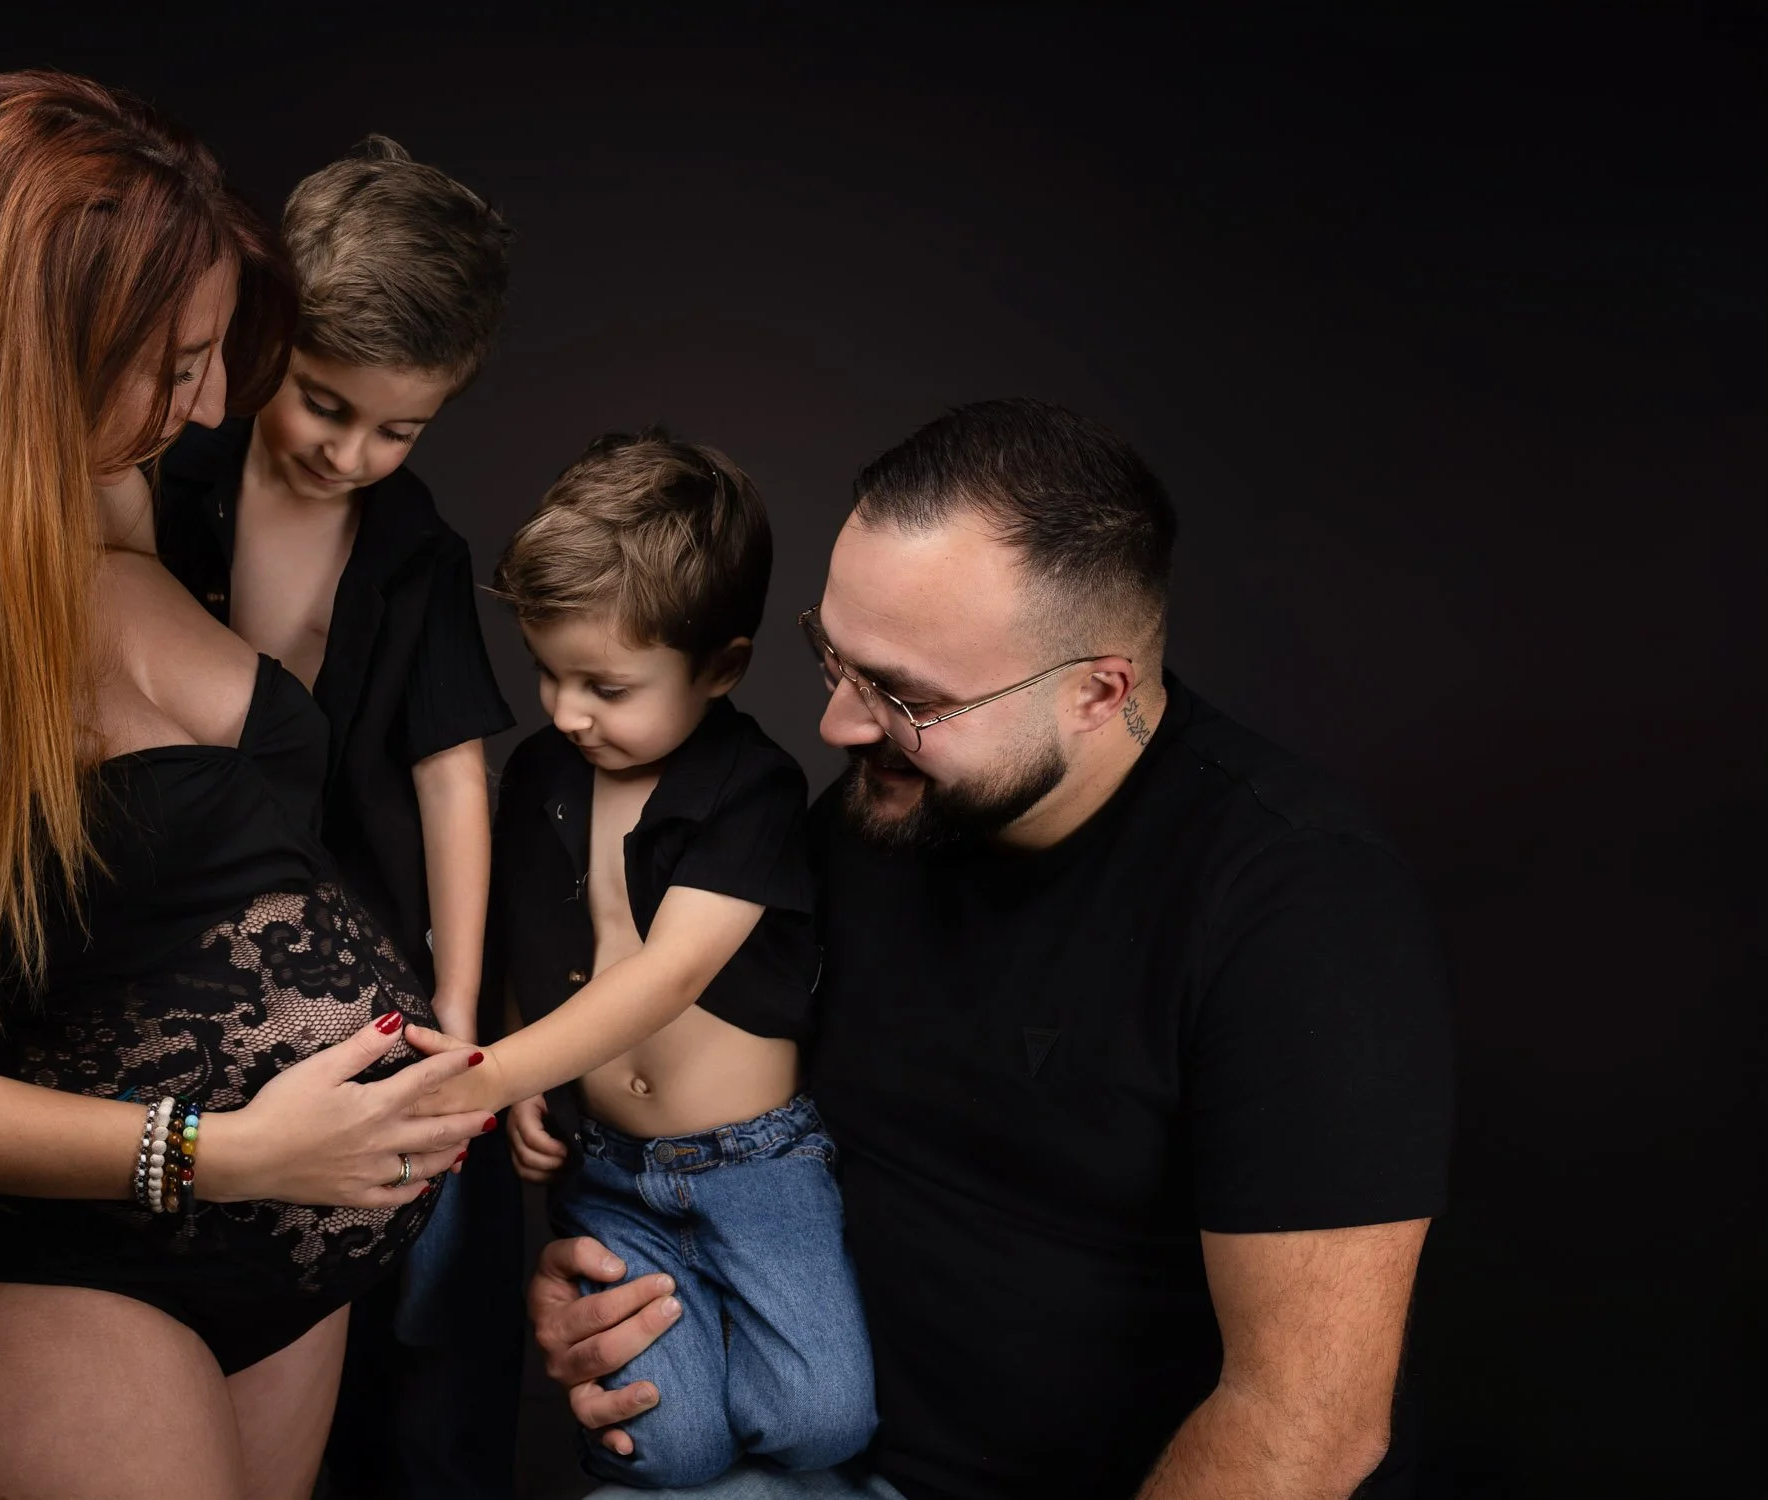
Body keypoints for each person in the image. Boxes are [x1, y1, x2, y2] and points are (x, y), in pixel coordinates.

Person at [0, 72, 489, 1500]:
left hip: (289, 1246)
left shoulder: (126, 501)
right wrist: (221, 1153)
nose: (200, 405)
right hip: (66, 1258)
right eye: (172, 363)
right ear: (28, 360)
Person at [529, 398, 1456, 1500]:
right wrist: (619, 1272)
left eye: (908, 697)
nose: (838, 725)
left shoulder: (1297, 905)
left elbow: (1304, 1424)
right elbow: (698, 1115)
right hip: (814, 1460)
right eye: (834, 657)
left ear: (1096, 691)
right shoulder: (867, 823)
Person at [151, 134, 522, 1499]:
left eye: (399, 429)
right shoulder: (161, 481)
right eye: (322, 404)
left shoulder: (413, 544)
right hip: (173, 914)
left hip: (349, 925)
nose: (351, 454)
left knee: (437, 1230)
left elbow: (449, 773)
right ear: (264, 346)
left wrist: (465, 1007)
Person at [428, 430, 876, 1489]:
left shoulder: (750, 788)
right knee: (669, 1450)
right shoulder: (542, 771)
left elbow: (671, 972)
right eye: (547, 672)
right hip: (613, 1176)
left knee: (817, 1421)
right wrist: (512, 1049)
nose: (567, 710)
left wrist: (491, 1079)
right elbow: (528, 933)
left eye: (608, 686)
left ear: (718, 667)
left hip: (754, 1164)